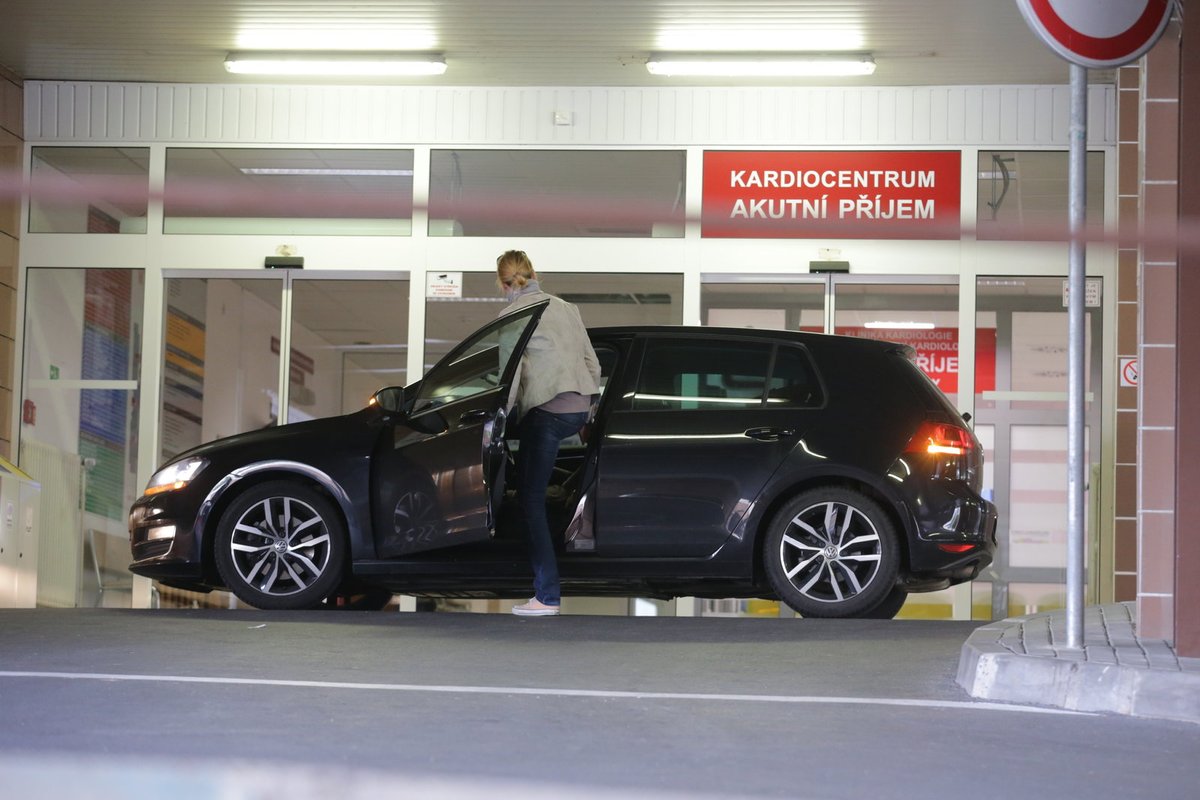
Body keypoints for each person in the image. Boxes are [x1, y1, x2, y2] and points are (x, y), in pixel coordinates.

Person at [496, 250, 600, 617]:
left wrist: (498, 420)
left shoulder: (513, 314)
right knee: (542, 491)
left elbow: (509, 378)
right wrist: (587, 410)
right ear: (533, 274)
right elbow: (593, 363)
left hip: (547, 412)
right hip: (576, 410)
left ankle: (547, 595)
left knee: (530, 501)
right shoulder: (566, 308)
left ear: (503, 282)